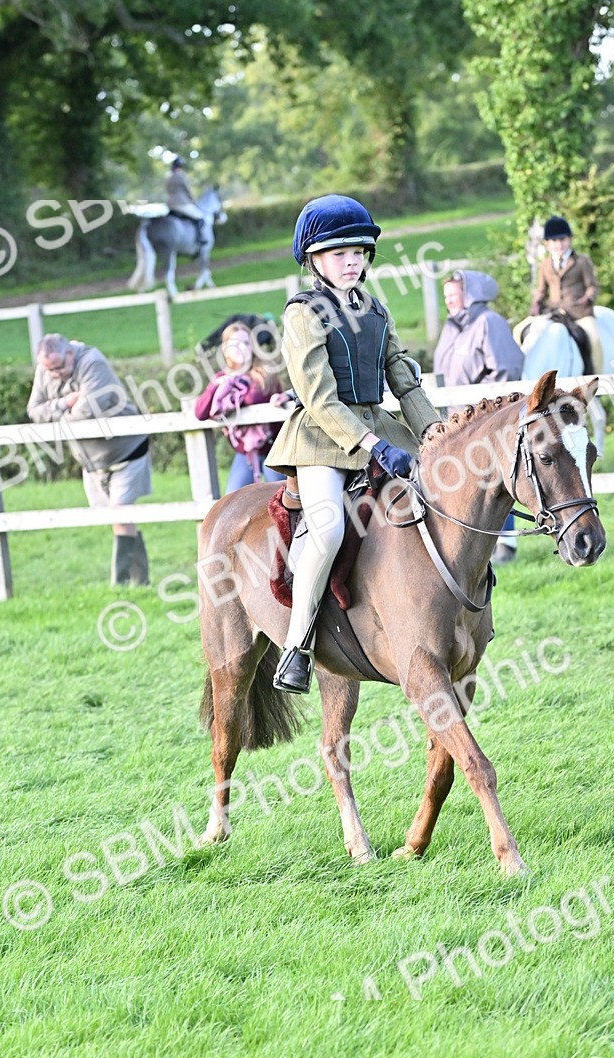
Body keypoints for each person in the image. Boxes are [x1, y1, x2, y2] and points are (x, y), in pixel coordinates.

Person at [265, 194, 439, 694]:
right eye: (339, 254)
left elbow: (403, 379)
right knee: (328, 526)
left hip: (380, 428)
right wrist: (370, 445)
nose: (352, 262)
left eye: (359, 252)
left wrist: (434, 436)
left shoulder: (375, 308)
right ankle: (296, 648)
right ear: (314, 260)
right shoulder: (302, 313)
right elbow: (318, 396)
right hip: (324, 437)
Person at [27, 333, 152, 585]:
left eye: (59, 367)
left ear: (70, 353)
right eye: (48, 369)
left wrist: (56, 417)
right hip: (92, 460)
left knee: (119, 513)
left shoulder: (93, 362)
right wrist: (64, 402)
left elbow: (86, 411)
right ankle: (141, 582)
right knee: (116, 518)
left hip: (127, 449)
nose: (54, 374)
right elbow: (34, 410)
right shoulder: (46, 369)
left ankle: (121, 583)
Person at [433, 270, 524, 565]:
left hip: (486, 422)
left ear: (470, 293)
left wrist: (480, 408)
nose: (449, 301)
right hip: (457, 422)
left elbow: (506, 370)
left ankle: (507, 545)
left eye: (454, 294)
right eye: (445, 296)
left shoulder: (488, 322)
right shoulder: (451, 328)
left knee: (496, 481)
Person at [194, 321, 291, 492]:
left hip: (274, 449)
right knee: (232, 497)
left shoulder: (264, 374)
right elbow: (201, 412)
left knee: (282, 496)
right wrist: (217, 384)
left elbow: (254, 398)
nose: (242, 348)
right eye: (235, 344)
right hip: (246, 453)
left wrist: (236, 383)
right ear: (225, 350)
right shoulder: (222, 379)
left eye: (246, 343)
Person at [527, 215, 603, 373]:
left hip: (579, 312)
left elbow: (592, 285)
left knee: (594, 338)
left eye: (562, 239)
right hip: (555, 312)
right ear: (547, 243)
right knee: (521, 331)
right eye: (554, 241)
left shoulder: (582, 262)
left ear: (569, 240)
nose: (558, 244)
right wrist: (536, 303)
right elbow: (541, 290)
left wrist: (588, 297)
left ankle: (595, 376)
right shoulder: (545, 265)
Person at [165, 156, 207, 249]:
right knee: (200, 217)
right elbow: (187, 190)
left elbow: (167, 190)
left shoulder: (168, 177)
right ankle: (200, 237)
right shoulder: (181, 176)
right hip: (182, 204)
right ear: (180, 166)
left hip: (170, 205)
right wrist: (193, 201)